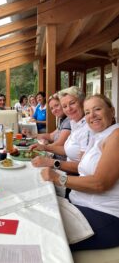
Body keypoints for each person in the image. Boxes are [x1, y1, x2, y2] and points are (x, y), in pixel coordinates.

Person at [35, 94, 119, 250]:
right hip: (82, 203)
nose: (91, 115)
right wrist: (53, 163)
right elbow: (80, 167)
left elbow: (100, 183)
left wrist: (57, 178)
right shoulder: (99, 136)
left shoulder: (116, 136)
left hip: (106, 215)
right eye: (87, 112)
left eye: (97, 109)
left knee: (40, 232)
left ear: (112, 111)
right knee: (35, 203)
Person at [32, 86, 90, 162]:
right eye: (65, 106)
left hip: (63, 164)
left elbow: (82, 166)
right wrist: (35, 139)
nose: (69, 109)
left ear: (82, 102)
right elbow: (53, 138)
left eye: (72, 103)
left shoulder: (85, 126)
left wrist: (51, 162)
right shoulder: (74, 123)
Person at [33, 93, 71, 161]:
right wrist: (32, 135)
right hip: (54, 156)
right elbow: (51, 136)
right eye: (52, 108)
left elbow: (59, 144)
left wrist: (43, 147)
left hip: (60, 161)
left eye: (56, 105)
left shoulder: (69, 121)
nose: (54, 110)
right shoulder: (62, 119)